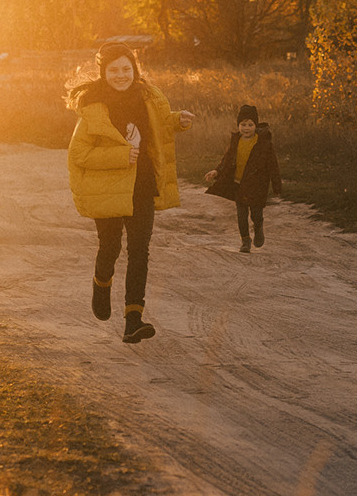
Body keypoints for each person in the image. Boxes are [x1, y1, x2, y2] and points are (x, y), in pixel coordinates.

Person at [66, 43, 196, 343]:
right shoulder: (93, 107)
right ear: (104, 72)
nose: (121, 75)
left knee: (140, 251)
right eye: (114, 70)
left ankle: (133, 319)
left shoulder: (149, 96)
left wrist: (178, 121)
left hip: (142, 184)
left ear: (134, 69)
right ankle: (101, 284)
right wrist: (120, 157)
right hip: (108, 190)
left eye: (126, 69)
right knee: (110, 248)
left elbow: (159, 125)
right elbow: (79, 155)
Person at [203, 104, 282, 253]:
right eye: (243, 124)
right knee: (241, 215)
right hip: (238, 185)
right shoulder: (236, 140)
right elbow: (226, 160)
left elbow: (273, 166)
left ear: (256, 125)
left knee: (256, 214)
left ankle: (258, 227)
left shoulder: (264, 143)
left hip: (257, 185)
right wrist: (216, 171)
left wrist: (277, 186)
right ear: (238, 125)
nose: (246, 128)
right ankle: (245, 241)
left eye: (250, 124)